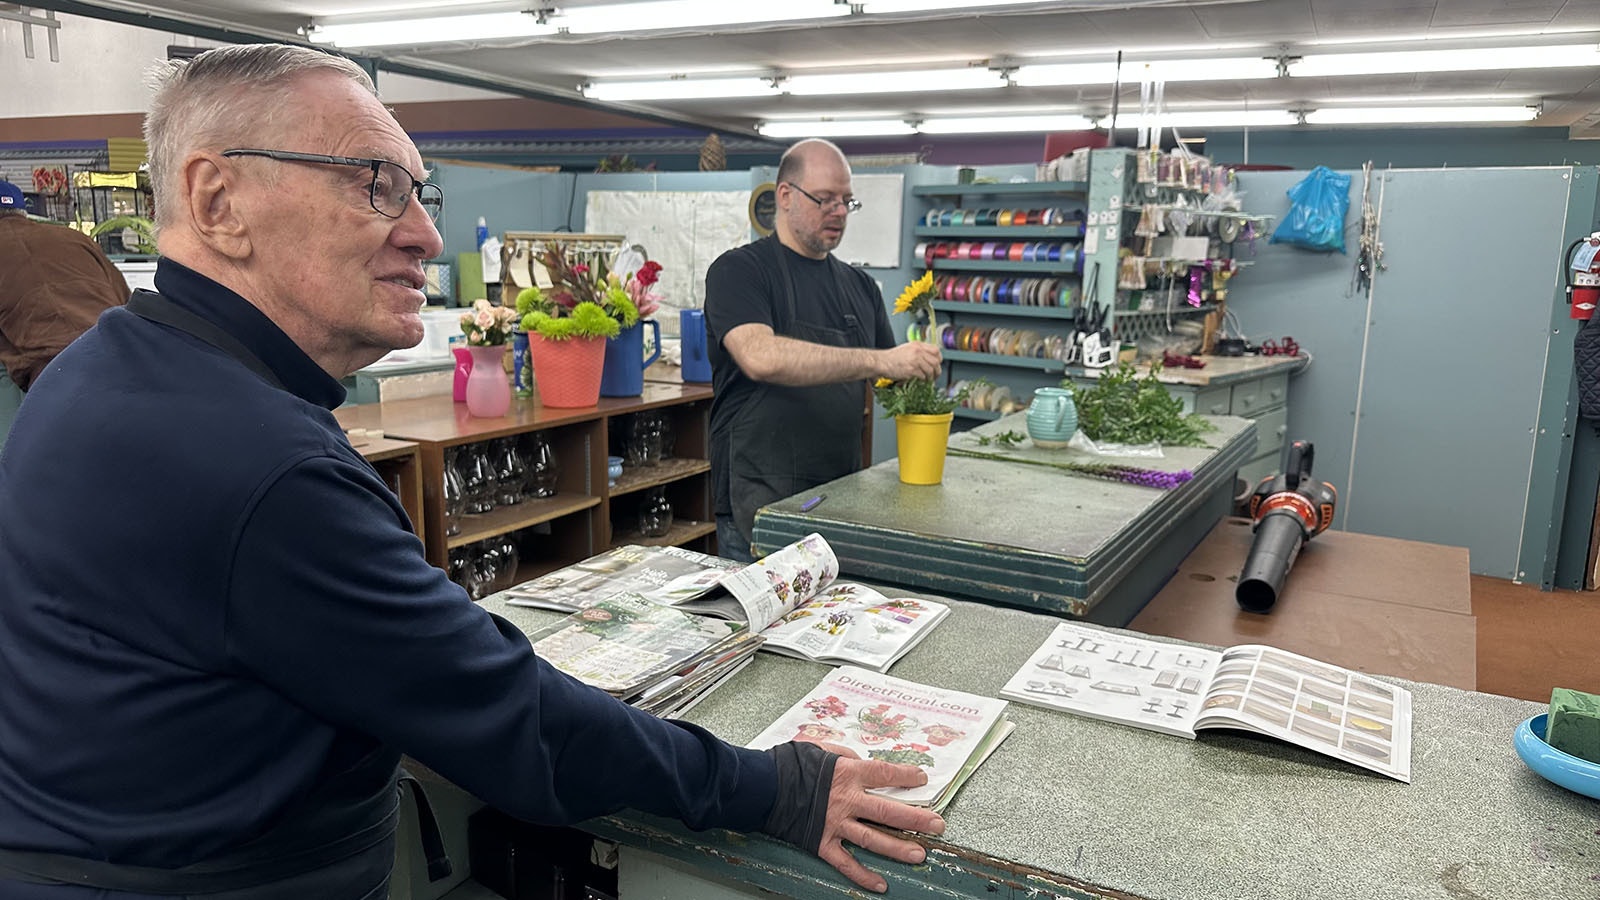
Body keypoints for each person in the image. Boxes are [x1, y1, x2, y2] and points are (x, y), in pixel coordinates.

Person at [0, 45, 942, 899]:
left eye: (420, 192)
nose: (423, 235)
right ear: (217, 202)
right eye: (374, 183)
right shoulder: (252, 463)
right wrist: (777, 787)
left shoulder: (108, 367)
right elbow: (515, 724)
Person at [704, 140, 941, 562]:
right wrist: (880, 359)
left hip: (838, 502)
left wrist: (917, 372)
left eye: (846, 201)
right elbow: (761, 357)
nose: (838, 211)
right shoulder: (739, 272)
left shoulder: (859, 288)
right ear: (785, 195)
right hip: (760, 504)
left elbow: (888, 380)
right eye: (825, 199)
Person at [0, 178, 130, 451]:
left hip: (50, 388)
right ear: (24, 212)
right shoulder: (76, 240)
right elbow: (126, 302)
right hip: (122, 366)